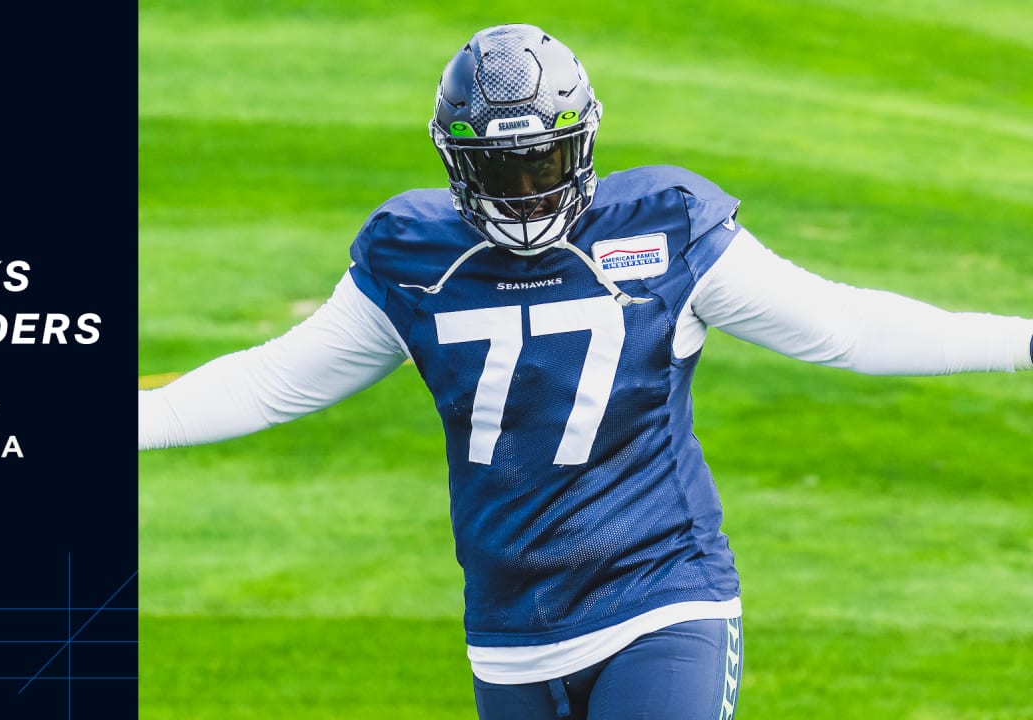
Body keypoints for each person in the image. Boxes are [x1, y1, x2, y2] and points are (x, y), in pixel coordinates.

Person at [138, 23, 1033, 720]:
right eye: (501, 167)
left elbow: (843, 329)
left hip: (661, 597)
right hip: (509, 631)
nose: (527, 191)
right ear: (455, 164)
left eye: (545, 162)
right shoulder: (410, 257)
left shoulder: (667, 226)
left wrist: (1021, 339)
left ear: (586, 144)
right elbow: (266, 384)